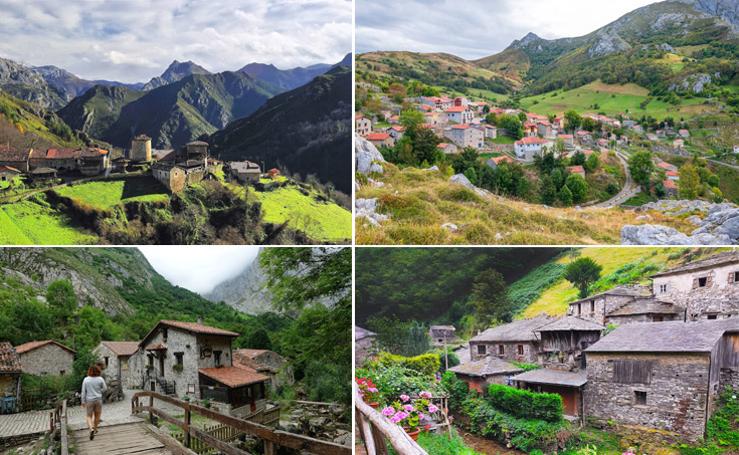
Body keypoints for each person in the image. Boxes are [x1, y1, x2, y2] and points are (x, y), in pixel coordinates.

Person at [81, 365, 107, 440]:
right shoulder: (100, 379)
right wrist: (99, 392)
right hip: (98, 400)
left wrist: (83, 401)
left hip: (89, 400)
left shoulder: (86, 379)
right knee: (97, 416)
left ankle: (91, 428)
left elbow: (83, 392)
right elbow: (105, 388)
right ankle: (95, 429)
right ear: (98, 371)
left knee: (88, 416)